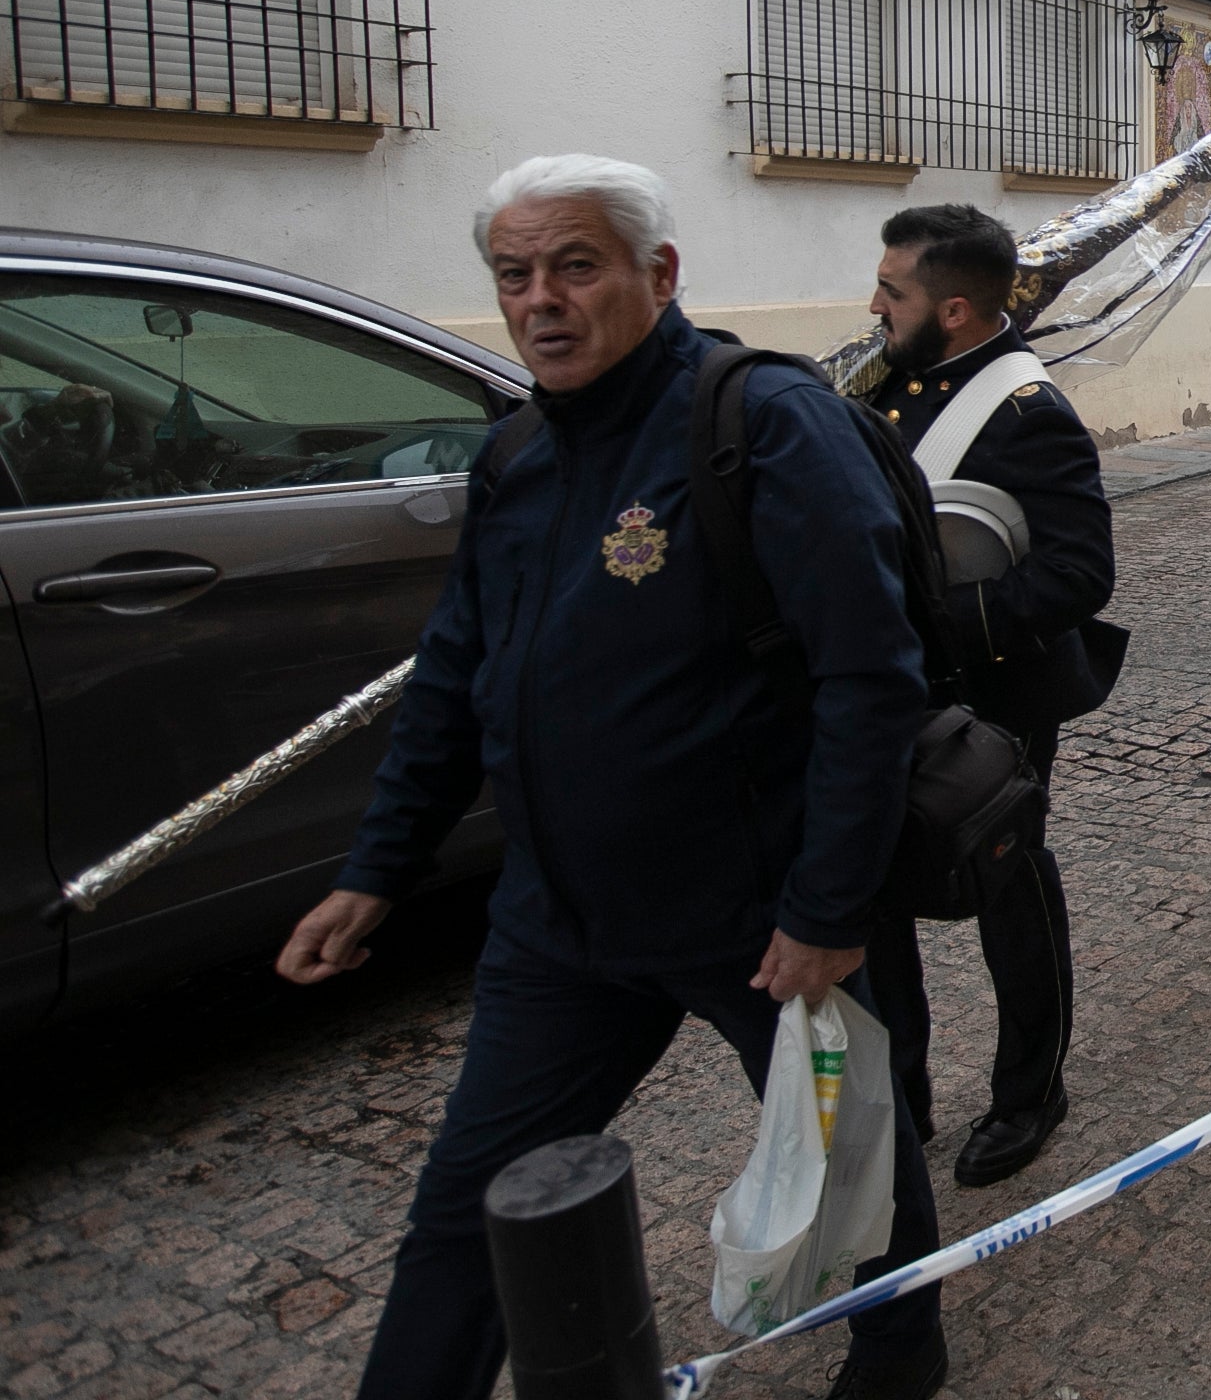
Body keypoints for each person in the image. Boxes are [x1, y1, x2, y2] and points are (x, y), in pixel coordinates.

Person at [281, 156, 950, 1400]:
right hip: (560, 925)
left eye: (575, 266)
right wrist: (378, 867)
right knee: (473, 1206)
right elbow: (453, 673)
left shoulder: (764, 424)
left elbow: (871, 679)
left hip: (752, 912)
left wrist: (824, 909)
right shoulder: (515, 456)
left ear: (659, 274)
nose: (542, 300)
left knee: (845, 1140)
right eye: (515, 275)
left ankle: (900, 1346)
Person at [857, 205, 1116, 1190]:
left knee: (1007, 882)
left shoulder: (1026, 413)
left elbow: (1078, 576)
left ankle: (1030, 1089)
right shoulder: (889, 375)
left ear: (955, 310)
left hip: (991, 699)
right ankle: (904, 1092)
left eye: (893, 291)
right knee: (875, 884)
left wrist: (934, 624)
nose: (874, 303)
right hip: (888, 691)